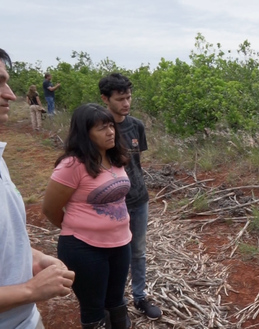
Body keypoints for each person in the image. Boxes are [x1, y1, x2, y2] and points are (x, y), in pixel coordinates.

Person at [0, 48, 75, 328]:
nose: (10, 94)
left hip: (25, 319)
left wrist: (35, 258)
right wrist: (30, 290)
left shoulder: (1, 159)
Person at [42, 103, 132, 329]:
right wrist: (79, 227)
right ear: (85, 133)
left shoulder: (115, 158)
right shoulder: (72, 165)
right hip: (85, 248)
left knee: (116, 302)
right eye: (102, 128)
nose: (110, 131)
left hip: (121, 243)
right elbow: (50, 209)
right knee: (94, 309)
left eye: (111, 125)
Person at [99, 73, 162, 320]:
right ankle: (115, 303)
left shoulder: (136, 125)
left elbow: (137, 162)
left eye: (129, 97)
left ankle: (139, 297)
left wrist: (138, 188)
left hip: (139, 198)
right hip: (112, 204)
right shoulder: (101, 128)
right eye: (120, 98)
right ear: (105, 98)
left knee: (138, 251)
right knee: (114, 254)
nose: (126, 103)